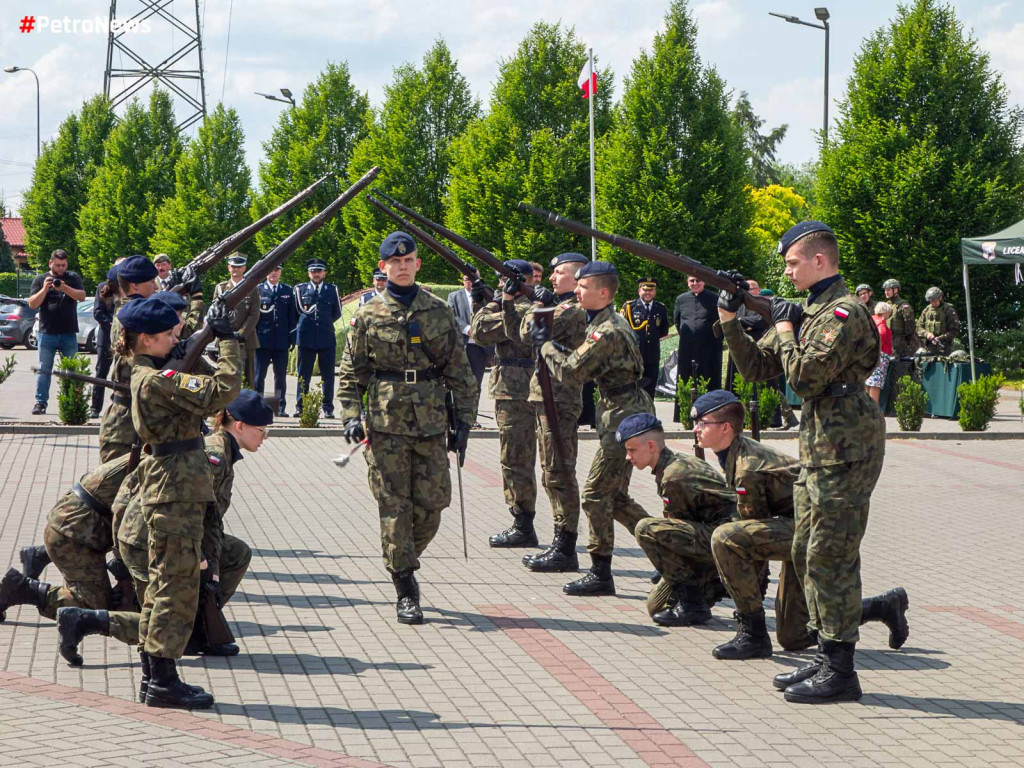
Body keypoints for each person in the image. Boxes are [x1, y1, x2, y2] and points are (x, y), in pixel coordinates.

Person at [719, 221, 886, 704]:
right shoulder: (805, 311)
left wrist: (785, 326)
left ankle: (842, 670)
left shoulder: (841, 312)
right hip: (818, 446)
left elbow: (807, 377)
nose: (787, 271)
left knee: (830, 557)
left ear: (819, 261)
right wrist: (731, 319)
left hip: (847, 446)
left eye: (793, 263)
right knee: (803, 550)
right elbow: (758, 368)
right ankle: (823, 649)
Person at [59, 390, 268, 677]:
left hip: (169, 536)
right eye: (262, 430)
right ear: (240, 426)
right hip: (151, 539)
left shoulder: (222, 451)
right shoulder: (214, 454)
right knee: (163, 618)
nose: (265, 436)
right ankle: (85, 620)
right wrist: (200, 560)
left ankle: (197, 629)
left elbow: (210, 519)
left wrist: (213, 568)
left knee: (236, 553)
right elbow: (138, 495)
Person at [691, 390, 909, 661]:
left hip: (809, 528)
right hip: (792, 527)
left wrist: (746, 594)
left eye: (702, 422)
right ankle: (882, 607)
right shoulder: (734, 454)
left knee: (725, 538)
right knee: (793, 636)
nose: (695, 429)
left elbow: (749, 541)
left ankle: (753, 634)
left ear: (725, 428)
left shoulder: (748, 467)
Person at [337, 232, 477, 625]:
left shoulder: (437, 310)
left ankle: (402, 558)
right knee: (394, 506)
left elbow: (460, 371)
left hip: (431, 420)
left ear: (417, 264)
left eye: (409, 259)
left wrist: (465, 421)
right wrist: (350, 415)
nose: (402, 265)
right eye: (394, 262)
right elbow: (351, 373)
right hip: (385, 423)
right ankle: (405, 586)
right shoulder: (367, 315)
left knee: (434, 504)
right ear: (383, 267)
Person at [120, 295, 241, 708]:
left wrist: (197, 343)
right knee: (176, 586)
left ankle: (155, 674)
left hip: (172, 485)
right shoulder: (156, 381)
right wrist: (228, 342)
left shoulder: (150, 371)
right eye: (170, 335)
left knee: (162, 584)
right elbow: (223, 390)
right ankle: (164, 680)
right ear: (146, 339)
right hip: (175, 490)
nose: (176, 339)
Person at [532, 260, 654, 596]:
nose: (577, 291)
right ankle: (670, 552)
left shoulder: (608, 330)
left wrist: (545, 346)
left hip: (623, 414)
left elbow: (572, 372)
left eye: (582, 287)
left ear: (602, 292)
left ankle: (601, 572)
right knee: (615, 498)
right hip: (620, 409)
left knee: (595, 493)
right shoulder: (600, 321)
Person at [616, 413, 735, 626]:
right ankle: (712, 586)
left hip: (724, 540)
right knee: (655, 605)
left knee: (645, 529)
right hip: (712, 534)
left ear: (651, 446)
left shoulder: (673, 476)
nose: (627, 457)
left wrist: (670, 567)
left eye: (631, 450)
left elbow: (678, 538)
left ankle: (694, 602)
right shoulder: (670, 465)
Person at [520, 252, 589, 572]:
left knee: (559, 473)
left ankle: (566, 546)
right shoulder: (560, 305)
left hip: (559, 398)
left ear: (576, 278)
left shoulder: (573, 310)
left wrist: (538, 304)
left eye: (559, 273)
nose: (550, 278)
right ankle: (560, 542)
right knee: (550, 473)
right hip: (546, 397)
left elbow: (528, 332)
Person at [471, 260, 538, 548]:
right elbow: (479, 329)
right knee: (512, 457)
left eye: (503, 280)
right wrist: (483, 297)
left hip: (518, 392)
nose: (500, 285)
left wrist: (497, 302)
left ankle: (523, 523)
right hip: (509, 390)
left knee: (516, 458)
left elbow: (483, 331)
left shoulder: (528, 308)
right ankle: (521, 519)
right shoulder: (508, 305)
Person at [98, 255, 159, 462]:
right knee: (112, 487)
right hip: (124, 420)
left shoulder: (129, 310)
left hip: (134, 413)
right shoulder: (131, 314)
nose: (156, 286)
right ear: (134, 285)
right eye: (151, 282)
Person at [27, 249, 86, 415]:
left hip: (68, 332)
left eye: (64, 265)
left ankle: (72, 401)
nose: (61, 268)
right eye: (58, 265)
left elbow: (81, 296)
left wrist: (65, 287)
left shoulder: (73, 278)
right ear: (50, 263)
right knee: (44, 370)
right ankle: (40, 402)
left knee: (71, 371)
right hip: (47, 333)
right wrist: (45, 289)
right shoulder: (40, 279)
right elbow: (32, 304)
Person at [294, 258, 343, 418]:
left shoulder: (332, 290)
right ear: (309, 273)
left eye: (319, 271)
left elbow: (337, 313)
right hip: (306, 338)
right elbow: (296, 313)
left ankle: (328, 408)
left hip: (326, 338)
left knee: (328, 376)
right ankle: (301, 407)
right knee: (303, 375)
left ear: (324, 273)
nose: (316, 274)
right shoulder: (300, 290)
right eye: (313, 271)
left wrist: (324, 324)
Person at [673, 274, 722, 421]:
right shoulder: (681, 299)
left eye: (698, 280)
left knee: (709, 376)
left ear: (704, 281)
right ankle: (684, 414)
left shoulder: (714, 299)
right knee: (686, 377)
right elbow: (677, 321)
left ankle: (711, 412)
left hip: (709, 347)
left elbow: (720, 322)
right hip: (687, 346)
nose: (695, 283)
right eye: (691, 281)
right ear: (688, 283)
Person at [447, 268, 493, 420]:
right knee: (458, 383)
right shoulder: (454, 296)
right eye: (467, 279)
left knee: (476, 384)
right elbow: (452, 316)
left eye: (473, 279)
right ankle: (457, 417)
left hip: (479, 348)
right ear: (462, 280)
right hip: (461, 345)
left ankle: (472, 418)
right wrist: (467, 329)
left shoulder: (487, 296)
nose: (470, 282)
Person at [214, 254, 260, 387]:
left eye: (239, 267)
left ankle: (248, 406)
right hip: (225, 338)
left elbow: (254, 314)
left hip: (247, 339)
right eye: (233, 266)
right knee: (225, 376)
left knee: (248, 378)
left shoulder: (252, 288)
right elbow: (216, 313)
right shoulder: (221, 288)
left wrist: (242, 333)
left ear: (244, 268)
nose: (236, 269)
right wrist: (226, 332)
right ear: (228, 268)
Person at [256, 265, 296, 416]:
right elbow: (254, 317)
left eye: (277, 270)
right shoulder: (258, 290)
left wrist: (292, 337)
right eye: (271, 269)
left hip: (281, 341)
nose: (273, 272)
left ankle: (279, 407)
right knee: (259, 375)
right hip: (262, 341)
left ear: (280, 272)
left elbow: (292, 316)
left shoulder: (287, 290)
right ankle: (258, 406)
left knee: (280, 377)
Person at [620, 277, 669, 399]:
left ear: (655, 291)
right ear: (639, 291)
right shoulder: (629, 307)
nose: (648, 293)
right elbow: (622, 330)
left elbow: (663, 331)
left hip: (652, 355)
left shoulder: (660, 308)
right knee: (632, 388)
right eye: (645, 290)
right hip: (633, 356)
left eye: (651, 290)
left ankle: (648, 415)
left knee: (649, 389)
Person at [90, 265, 119, 419]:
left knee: (122, 373)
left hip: (125, 338)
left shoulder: (130, 288)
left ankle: (119, 407)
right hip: (106, 336)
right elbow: (97, 312)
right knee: (101, 371)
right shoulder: (103, 287)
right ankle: (95, 408)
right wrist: (112, 324)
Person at [916, 287, 959, 356]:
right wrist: (926, 334)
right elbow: (918, 327)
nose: (933, 303)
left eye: (934, 301)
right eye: (931, 301)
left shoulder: (949, 310)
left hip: (945, 348)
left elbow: (954, 331)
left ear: (940, 298)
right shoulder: (926, 311)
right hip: (929, 348)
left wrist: (940, 338)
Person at [882, 278, 919, 357]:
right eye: (885, 290)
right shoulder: (886, 305)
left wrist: (906, 341)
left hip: (900, 343)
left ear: (895, 290)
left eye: (888, 290)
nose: (886, 292)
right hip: (888, 341)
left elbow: (910, 326)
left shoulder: (903, 305)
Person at [866, 302, 893, 405]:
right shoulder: (881, 324)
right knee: (875, 383)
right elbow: (880, 338)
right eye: (889, 313)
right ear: (885, 312)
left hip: (868, 354)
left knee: (868, 382)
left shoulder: (871, 319)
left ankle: (865, 409)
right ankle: (873, 409)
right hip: (879, 356)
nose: (889, 315)